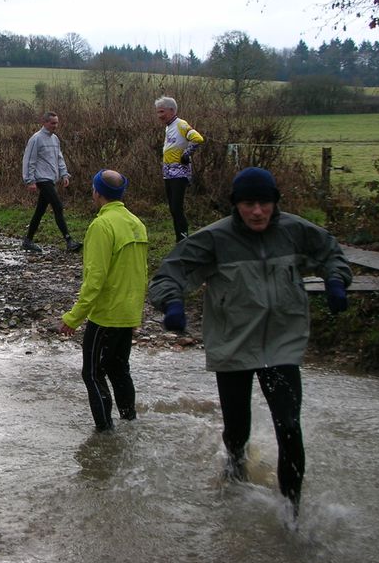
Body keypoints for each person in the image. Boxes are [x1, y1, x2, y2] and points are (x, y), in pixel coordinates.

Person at [148, 167, 352, 516]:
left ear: (275, 203)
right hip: (233, 345)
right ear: (236, 206)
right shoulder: (215, 239)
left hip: (281, 343)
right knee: (238, 428)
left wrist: (335, 280)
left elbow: (330, 252)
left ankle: (292, 512)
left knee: (289, 426)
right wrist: (173, 303)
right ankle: (235, 473)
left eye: (264, 203)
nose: (257, 211)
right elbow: (171, 272)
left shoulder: (295, 231)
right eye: (248, 204)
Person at [59, 170, 148, 431]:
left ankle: (104, 432)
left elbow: (94, 280)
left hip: (105, 315)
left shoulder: (101, 226)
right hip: (128, 313)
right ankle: (129, 422)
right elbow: (141, 274)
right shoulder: (136, 223)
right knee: (119, 369)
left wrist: (72, 318)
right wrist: (136, 316)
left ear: (97, 192)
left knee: (92, 373)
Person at [21, 111, 81, 253]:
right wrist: (29, 180)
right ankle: (69, 240)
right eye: (53, 123)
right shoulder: (36, 139)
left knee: (40, 211)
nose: (56, 125)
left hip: (51, 178)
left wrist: (64, 174)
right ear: (45, 122)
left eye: (57, 123)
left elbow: (59, 158)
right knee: (58, 206)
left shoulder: (55, 139)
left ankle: (28, 240)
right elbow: (29, 160)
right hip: (42, 179)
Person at [155, 96, 204, 242]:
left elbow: (198, 138)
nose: (159, 116)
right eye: (157, 112)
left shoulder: (180, 124)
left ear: (172, 110)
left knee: (177, 209)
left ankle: (183, 241)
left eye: (162, 112)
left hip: (179, 173)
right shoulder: (169, 126)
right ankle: (180, 240)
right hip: (168, 174)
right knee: (173, 210)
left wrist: (186, 154)